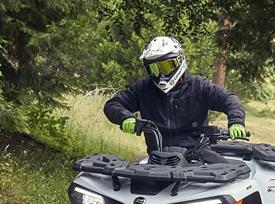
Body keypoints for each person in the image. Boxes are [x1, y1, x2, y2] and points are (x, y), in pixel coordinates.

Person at [103, 36, 247, 163]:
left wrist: (236, 122)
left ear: (179, 61)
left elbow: (229, 99)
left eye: (165, 67)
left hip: (197, 154)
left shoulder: (199, 86)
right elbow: (112, 105)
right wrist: (125, 118)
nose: (160, 74)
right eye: (154, 69)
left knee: (231, 178)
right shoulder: (143, 88)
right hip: (158, 157)